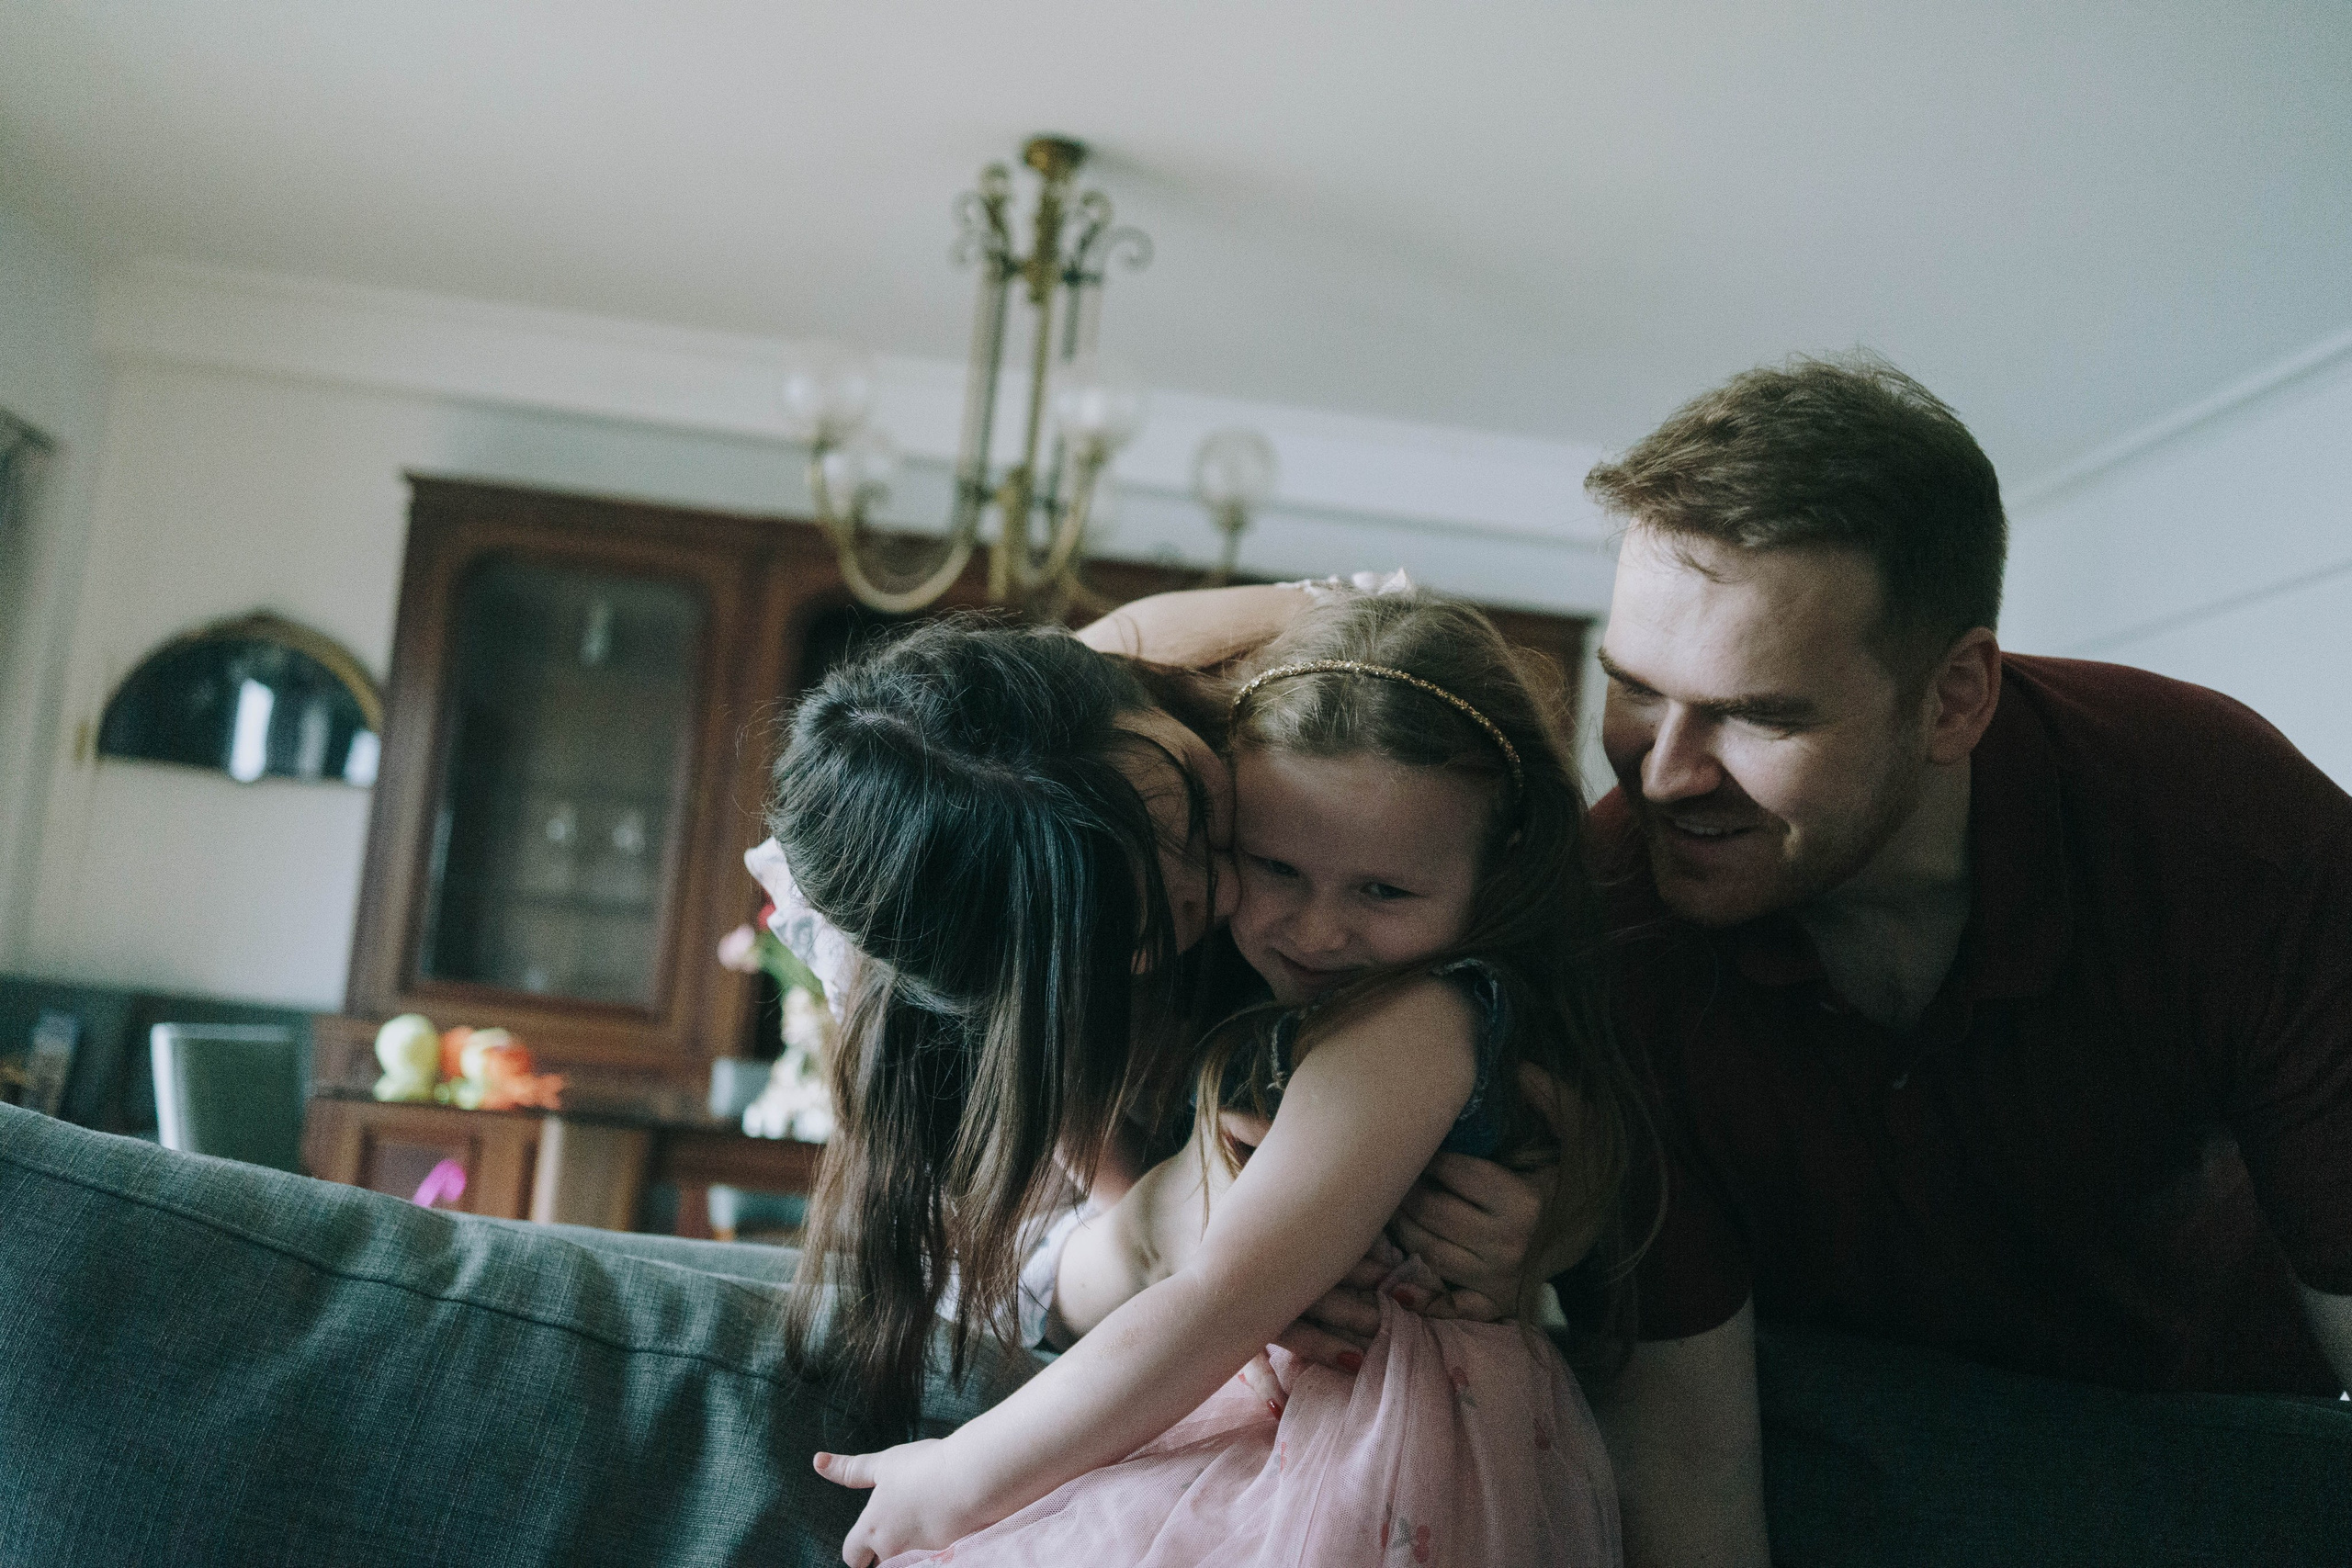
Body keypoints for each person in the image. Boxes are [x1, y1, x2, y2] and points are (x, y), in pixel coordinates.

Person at [1565, 355, 2352, 1564]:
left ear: (1954, 698)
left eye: (1759, 713)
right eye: (1633, 688)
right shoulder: (1614, 921)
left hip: (2204, 1437)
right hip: (1822, 1433)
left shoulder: (2237, 841)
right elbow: (1683, 1451)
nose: (1664, 771)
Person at [799, 587, 1647, 1566]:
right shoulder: (970, 854)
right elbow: (1183, 1277)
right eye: (1271, 866)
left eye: (1381, 890)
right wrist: (1180, 1221)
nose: (1313, 928)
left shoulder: (1415, 1003)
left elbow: (1212, 1298)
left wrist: (963, 1477)